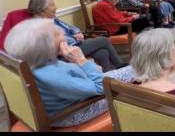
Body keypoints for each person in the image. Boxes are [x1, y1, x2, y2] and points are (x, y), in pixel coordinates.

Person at [4, 18, 134, 127]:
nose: (65, 37)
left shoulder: (39, 63)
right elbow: (101, 87)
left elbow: (74, 78)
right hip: (74, 112)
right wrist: (82, 61)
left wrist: (89, 68)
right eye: (58, 35)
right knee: (132, 90)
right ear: (45, 46)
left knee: (134, 71)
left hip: (83, 91)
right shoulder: (49, 74)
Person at [27, 0, 127, 72]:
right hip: (65, 53)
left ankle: (107, 78)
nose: (56, 7)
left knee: (103, 53)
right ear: (42, 8)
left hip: (75, 44)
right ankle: (120, 66)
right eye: (52, 5)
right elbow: (58, 44)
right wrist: (74, 38)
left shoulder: (53, 19)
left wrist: (77, 33)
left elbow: (71, 27)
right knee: (104, 40)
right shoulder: (39, 26)